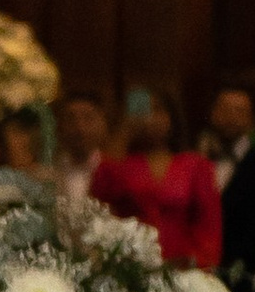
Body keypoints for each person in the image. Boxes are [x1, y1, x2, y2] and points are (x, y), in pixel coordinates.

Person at [93, 97, 221, 268]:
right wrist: (125, 133)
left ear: (171, 118)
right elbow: (101, 199)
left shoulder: (195, 165)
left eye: (158, 110)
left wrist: (199, 263)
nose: (151, 118)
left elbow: (209, 224)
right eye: (145, 111)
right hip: (133, 264)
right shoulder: (123, 165)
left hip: (185, 265)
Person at [200, 85, 255, 292]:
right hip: (198, 282)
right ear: (213, 115)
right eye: (225, 110)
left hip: (246, 285)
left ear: (251, 121)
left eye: (240, 111)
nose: (231, 117)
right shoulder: (195, 163)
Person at [53, 90, 111, 203]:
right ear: (59, 126)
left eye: (88, 118)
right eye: (71, 119)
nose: (80, 128)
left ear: (103, 124)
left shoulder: (115, 171)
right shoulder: (49, 173)